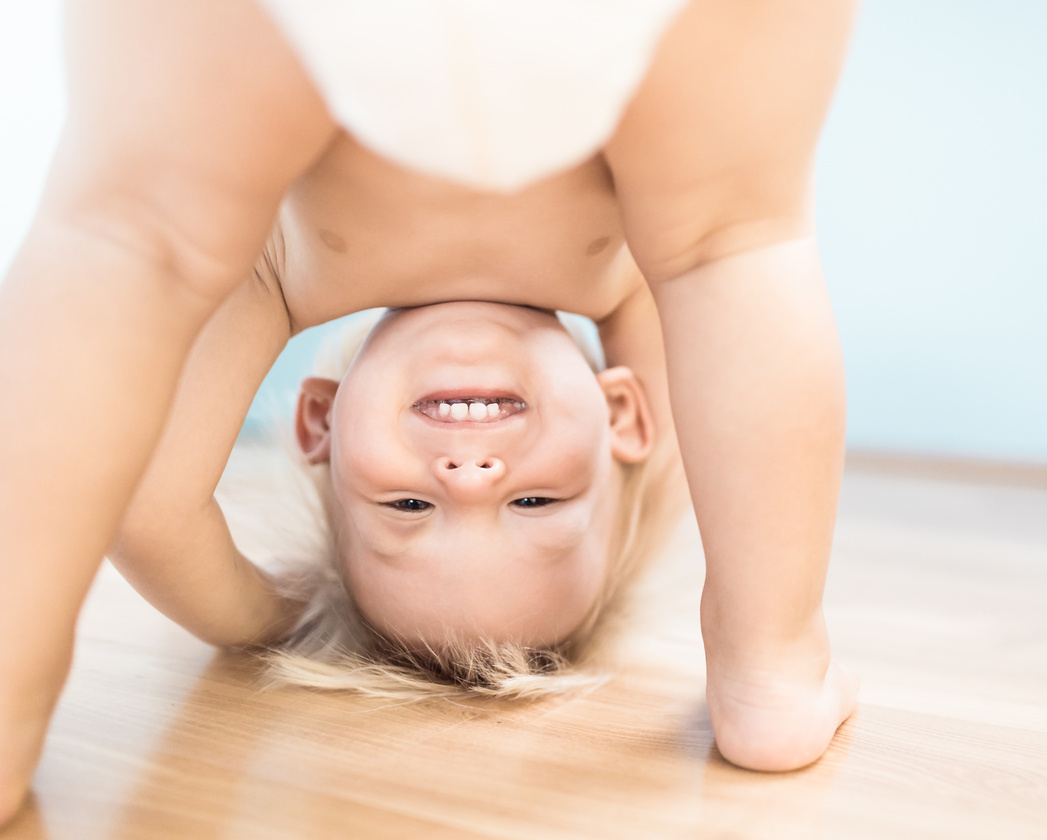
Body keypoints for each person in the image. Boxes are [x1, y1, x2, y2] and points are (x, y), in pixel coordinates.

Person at [0, 0, 859, 822]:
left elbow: (149, 506)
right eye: (536, 503)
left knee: (139, 239)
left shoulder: (284, 269)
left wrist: (266, 612)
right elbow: (705, 432)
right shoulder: (644, 284)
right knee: (732, 240)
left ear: (323, 425)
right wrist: (763, 627)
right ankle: (772, 677)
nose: (471, 476)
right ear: (624, 417)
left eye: (409, 508)